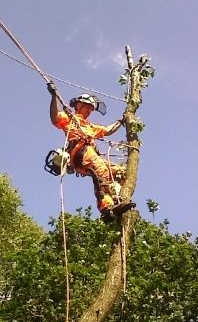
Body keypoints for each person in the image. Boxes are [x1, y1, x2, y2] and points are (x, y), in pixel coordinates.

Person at [47, 81, 135, 221]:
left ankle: (116, 199)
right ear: (79, 105)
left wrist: (121, 121)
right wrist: (53, 97)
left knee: (119, 171)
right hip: (80, 153)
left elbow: (107, 130)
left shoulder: (90, 126)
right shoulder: (70, 119)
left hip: (90, 153)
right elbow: (55, 118)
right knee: (101, 170)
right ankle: (106, 208)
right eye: (87, 107)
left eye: (91, 109)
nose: (89, 111)